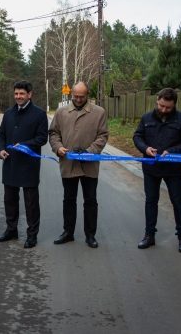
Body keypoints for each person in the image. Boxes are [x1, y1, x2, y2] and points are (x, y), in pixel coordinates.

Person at [133, 87, 181, 253]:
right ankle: (149, 235)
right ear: (157, 101)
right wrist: (145, 149)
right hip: (151, 168)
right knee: (151, 201)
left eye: (167, 107)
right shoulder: (146, 118)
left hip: (172, 169)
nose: (163, 109)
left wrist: (172, 152)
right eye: (161, 105)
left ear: (174, 105)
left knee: (177, 202)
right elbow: (137, 136)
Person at [49, 81, 108, 249]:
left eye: (82, 96)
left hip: (90, 165)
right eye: (75, 96)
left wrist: (90, 151)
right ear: (71, 94)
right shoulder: (61, 112)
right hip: (68, 164)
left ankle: (90, 235)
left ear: (87, 95)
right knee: (69, 200)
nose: (78, 99)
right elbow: (53, 133)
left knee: (90, 201)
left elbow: (103, 136)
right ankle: (68, 232)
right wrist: (58, 147)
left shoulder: (99, 112)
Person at [0, 81, 48, 248]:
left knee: (31, 203)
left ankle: (32, 235)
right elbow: (0, 135)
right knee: (9, 200)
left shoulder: (39, 114)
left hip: (29, 165)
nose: (18, 97)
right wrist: (1, 149)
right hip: (10, 162)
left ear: (29, 94)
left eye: (22, 94)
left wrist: (25, 145)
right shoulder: (9, 113)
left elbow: (41, 138)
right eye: (16, 94)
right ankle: (11, 230)